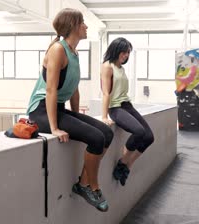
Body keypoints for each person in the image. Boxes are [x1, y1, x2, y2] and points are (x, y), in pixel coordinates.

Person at [26, 8, 113, 212]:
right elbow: (50, 89)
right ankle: (93, 186)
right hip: (41, 111)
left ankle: (82, 183)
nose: (86, 26)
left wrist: (77, 116)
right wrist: (54, 128)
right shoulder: (58, 49)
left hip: (59, 108)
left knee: (106, 133)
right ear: (73, 26)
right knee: (96, 139)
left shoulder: (74, 53)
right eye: (82, 22)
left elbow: (74, 90)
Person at [100, 37, 154, 186]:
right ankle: (122, 163)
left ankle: (126, 166)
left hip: (127, 105)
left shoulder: (121, 68)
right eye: (124, 52)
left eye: (128, 53)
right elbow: (106, 92)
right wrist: (104, 116)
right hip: (116, 107)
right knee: (139, 132)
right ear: (116, 50)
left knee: (149, 137)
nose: (126, 56)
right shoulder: (107, 66)